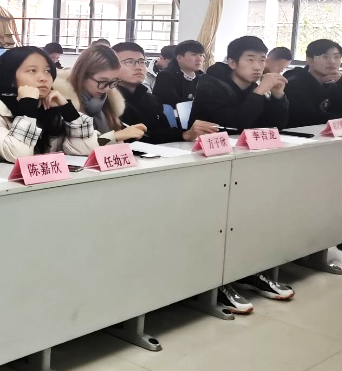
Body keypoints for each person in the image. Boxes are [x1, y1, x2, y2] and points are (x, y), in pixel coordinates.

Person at [189, 35, 293, 314]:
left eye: (262, 59)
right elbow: (233, 125)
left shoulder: (253, 87)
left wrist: (278, 96)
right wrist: (260, 92)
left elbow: (274, 128)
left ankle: (245, 270)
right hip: (207, 166)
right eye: (250, 59)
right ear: (232, 62)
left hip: (244, 164)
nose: (258, 66)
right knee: (219, 226)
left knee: (249, 220)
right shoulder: (211, 85)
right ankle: (217, 281)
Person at [0, 46, 98, 164]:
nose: (43, 78)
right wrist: (28, 107)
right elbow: (19, 156)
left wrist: (68, 111)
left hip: (37, 183)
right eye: (32, 71)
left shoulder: (48, 105)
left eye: (48, 71)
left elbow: (85, 152)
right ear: (10, 77)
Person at [112, 42, 219, 144]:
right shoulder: (108, 102)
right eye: (129, 62)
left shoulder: (150, 99)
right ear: (111, 66)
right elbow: (130, 139)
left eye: (141, 62)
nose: (138, 67)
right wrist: (184, 134)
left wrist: (186, 133)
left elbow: (163, 130)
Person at [52, 44, 146, 145]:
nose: (107, 88)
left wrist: (125, 133)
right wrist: (115, 136)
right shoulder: (60, 102)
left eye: (113, 82)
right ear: (82, 76)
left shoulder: (109, 103)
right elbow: (75, 146)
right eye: (103, 81)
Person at [153, 40, 206, 107]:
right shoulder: (166, 76)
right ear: (179, 58)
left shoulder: (202, 77)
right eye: (194, 55)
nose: (199, 59)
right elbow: (167, 105)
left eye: (201, 55)